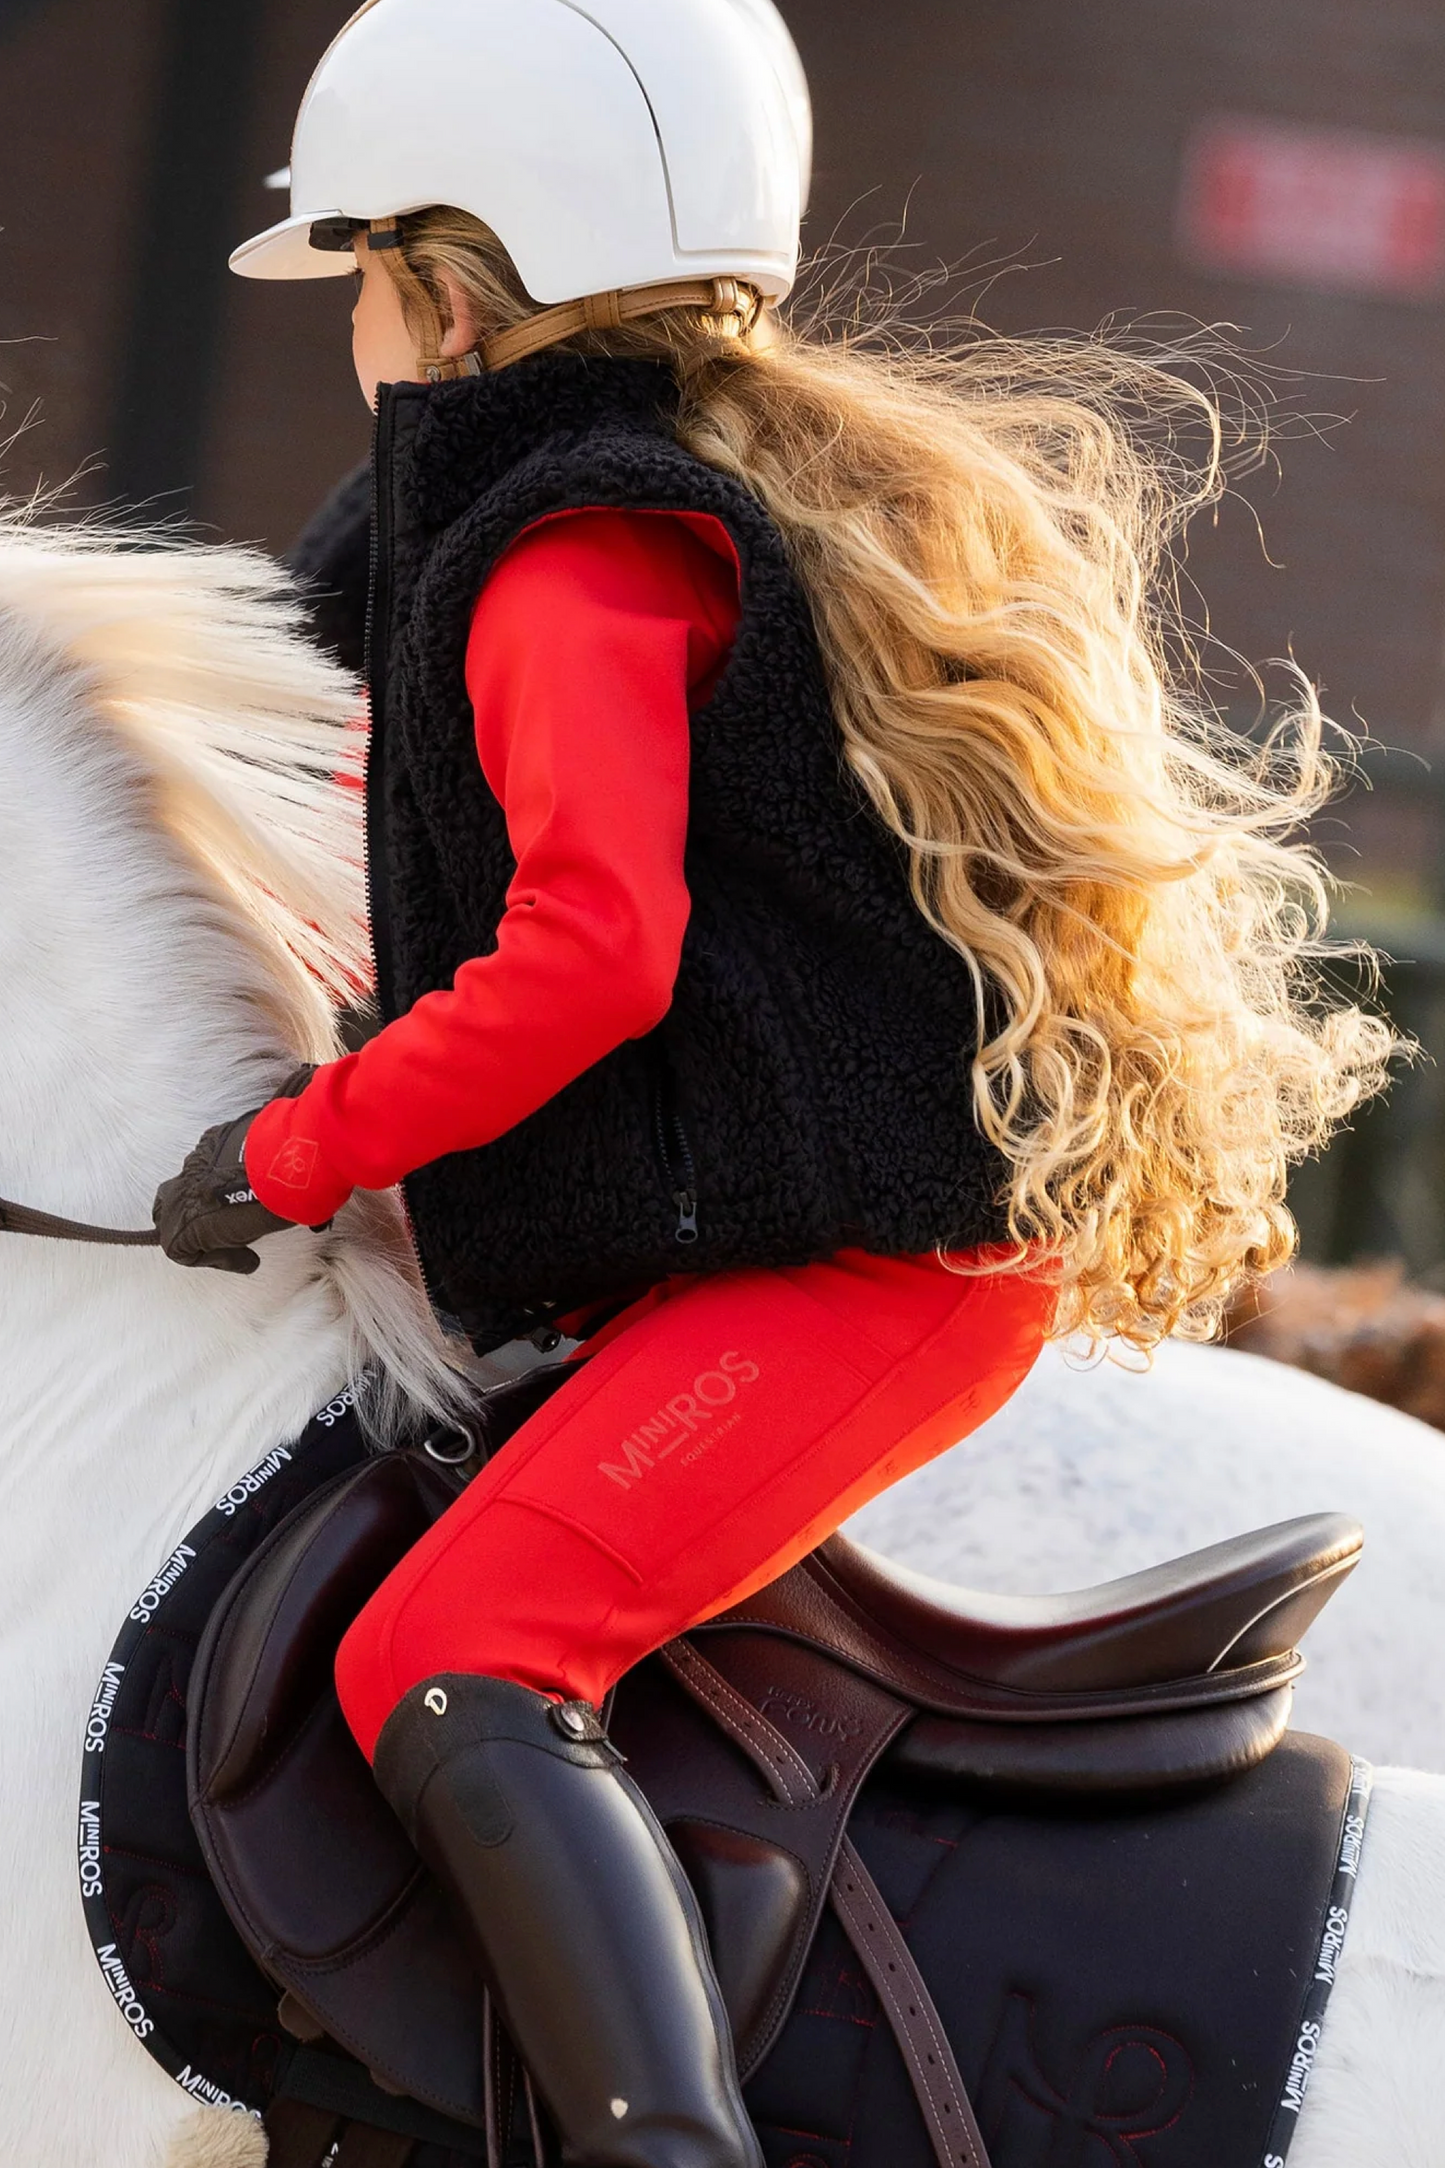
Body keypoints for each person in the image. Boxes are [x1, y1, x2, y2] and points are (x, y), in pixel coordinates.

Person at [151, 2, 1391, 2161]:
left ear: (441, 293)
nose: (352, 316)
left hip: (869, 1281)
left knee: (450, 1649)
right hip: (804, 1244)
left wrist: (294, 1147)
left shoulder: (564, 560)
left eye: (355, 271)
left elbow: (586, 964)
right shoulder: (517, 517)